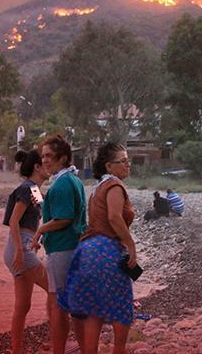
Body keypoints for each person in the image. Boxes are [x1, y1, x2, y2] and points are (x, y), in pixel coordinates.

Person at [59, 142, 136, 354]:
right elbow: (113, 217)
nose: (128, 165)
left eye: (128, 161)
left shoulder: (98, 188)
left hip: (86, 252)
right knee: (121, 304)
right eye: (123, 161)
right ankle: (118, 350)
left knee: (93, 309)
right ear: (109, 166)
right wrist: (130, 243)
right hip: (108, 251)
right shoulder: (115, 186)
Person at [31, 135, 87, 354]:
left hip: (62, 249)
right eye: (42, 156)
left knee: (58, 306)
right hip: (73, 247)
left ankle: (58, 350)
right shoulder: (72, 179)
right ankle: (86, 348)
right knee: (76, 305)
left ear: (62, 158)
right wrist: (45, 204)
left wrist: (40, 230)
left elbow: (64, 218)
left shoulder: (63, 183)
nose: (44, 160)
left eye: (49, 156)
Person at [2, 149, 50, 354]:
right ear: (37, 167)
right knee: (56, 289)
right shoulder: (27, 188)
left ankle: (17, 351)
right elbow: (14, 221)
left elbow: (35, 222)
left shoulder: (35, 191)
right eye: (45, 163)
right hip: (19, 246)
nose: (49, 166)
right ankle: (57, 338)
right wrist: (20, 251)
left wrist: (35, 240)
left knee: (23, 306)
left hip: (23, 244)